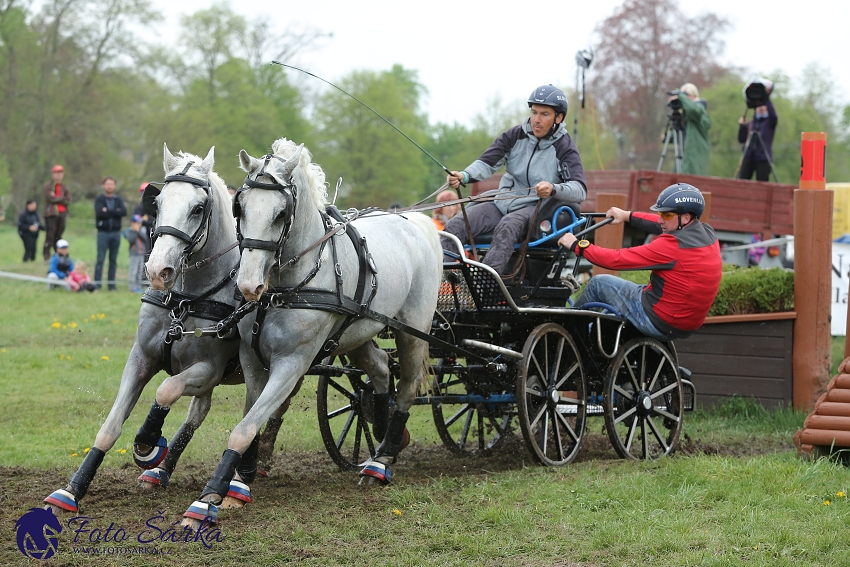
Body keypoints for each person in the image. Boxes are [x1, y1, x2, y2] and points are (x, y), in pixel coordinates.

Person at [440, 85, 586, 277]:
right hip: (502, 202)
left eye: (544, 114)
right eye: (534, 112)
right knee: (454, 227)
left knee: (508, 225)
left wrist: (553, 188)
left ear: (558, 118)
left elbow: (579, 189)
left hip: (537, 208)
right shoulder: (515, 135)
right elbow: (487, 162)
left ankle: (485, 285)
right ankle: (443, 286)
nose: (536, 120)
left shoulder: (565, 147)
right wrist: (464, 176)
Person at [558, 183, 721, 340]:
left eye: (667, 215)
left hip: (657, 320)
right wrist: (626, 215)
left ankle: (567, 335)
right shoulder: (707, 233)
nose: (660, 220)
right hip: (684, 325)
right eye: (660, 214)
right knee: (615, 303)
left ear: (686, 217)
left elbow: (616, 259)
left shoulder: (671, 246)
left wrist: (576, 245)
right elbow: (658, 224)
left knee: (599, 284)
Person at [669, 84, 711, 176]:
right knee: (676, 177)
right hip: (684, 153)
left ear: (695, 96)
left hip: (695, 153)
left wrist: (681, 95)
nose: (683, 98)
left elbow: (692, 110)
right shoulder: (685, 115)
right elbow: (685, 133)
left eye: (686, 94)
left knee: (691, 180)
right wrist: (668, 137)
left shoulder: (699, 108)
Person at [94, 176, 127, 290]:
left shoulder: (118, 200)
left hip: (116, 233)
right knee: (100, 259)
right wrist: (115, 212)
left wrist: (107, 211)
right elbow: (99, 212)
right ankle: (97, 284)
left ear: (115, 186)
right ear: (103, 185)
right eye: (107, 184)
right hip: (103, 233)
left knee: (113, 260)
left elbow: (123, 212)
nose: (109, 186)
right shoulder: (99, 199)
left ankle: (111, 285)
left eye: (111, 184)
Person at [738, 94, 777, 182]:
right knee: (742, 182)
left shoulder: (770, 123)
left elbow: (773, 116)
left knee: (762, 184)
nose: (762, 108)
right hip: (748, 156)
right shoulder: (751, 123)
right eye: (759, 106)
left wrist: (765, 95)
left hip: (763, 157)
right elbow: (741, 139)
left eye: (764, 105)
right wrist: (742, 127)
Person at [43, 164, 71, 261]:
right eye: (56, 173)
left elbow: (68, 200)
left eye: (60, 173)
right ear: (53, 174)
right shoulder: (48, 186)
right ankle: (46, 255)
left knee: (59, 234)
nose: (58, 175)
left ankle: (58, 254)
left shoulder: (65, 187)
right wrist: (60, 199)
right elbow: (50, 198)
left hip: (62, 213)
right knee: (50, 234)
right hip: (51, 214)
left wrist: (57, 197)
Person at [124, 214, 150, 293]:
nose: (139, 225)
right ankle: (132, 287)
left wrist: (138, 231)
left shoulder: (140, 231)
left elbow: (145, 238)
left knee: (139, 272)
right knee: (134, 271)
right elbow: (131, 240)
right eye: (137, 223)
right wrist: (135, 231)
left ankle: (138, 286)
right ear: (132, 223)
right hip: (134, 254)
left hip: (141, 254)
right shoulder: (129, 232)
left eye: (140, 223)